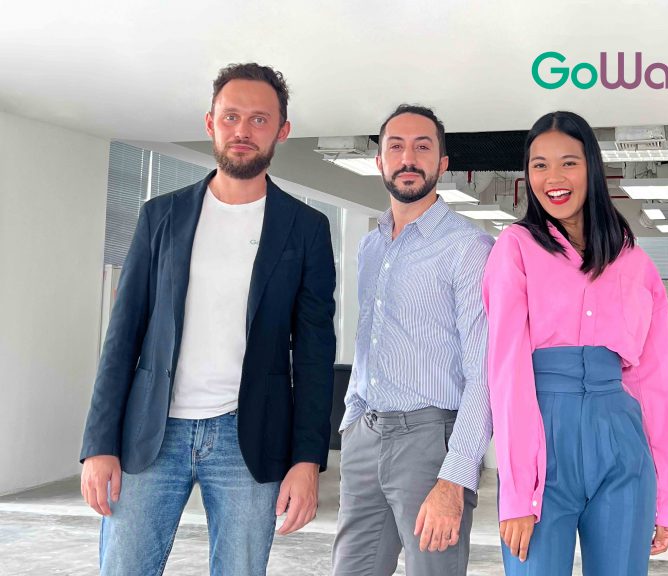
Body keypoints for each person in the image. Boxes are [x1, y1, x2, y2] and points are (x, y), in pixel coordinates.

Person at [79, 63, 337, 576]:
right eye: (231, 116)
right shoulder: (161, 215)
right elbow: (123, 335)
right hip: (151, 433)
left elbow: (314, 354)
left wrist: (308, 460)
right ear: (210, 123)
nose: (243, 130)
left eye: (259, 119)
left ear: (282, 130)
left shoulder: (306, 227)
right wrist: (99, 444)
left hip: (251, 440)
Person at [482, 111, 668, 575]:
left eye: (568, 163)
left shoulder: (635, 263)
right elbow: (506, 372)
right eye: (539, 165)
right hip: (543, 443)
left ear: (592, 167)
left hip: (621, 445)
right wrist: (517, 491)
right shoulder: (515, 249)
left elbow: (656, 383)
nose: (553, 178)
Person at [331, 105, 494, 576]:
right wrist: (351, 419)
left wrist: (455, 475)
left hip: (430, 441)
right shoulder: (371, 246)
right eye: (396, 147)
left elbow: (483, 371)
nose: (408, 158)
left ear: (442, 163)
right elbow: (369, 340)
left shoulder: (469, 248)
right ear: (380, 161)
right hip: (365, 434)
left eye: (422, 147)